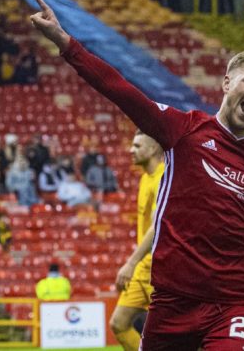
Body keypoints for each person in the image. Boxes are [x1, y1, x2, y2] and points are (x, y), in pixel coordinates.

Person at [30, 0, 244, 350]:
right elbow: (119, 89)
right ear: (227, 82)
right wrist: (65, 42)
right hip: (172, 302)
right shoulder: (182, 129)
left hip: (235, 302)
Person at [110, 130, 165, 351]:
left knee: (186, 335)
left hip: (161, 269)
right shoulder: (145, 178)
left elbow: (157, 225)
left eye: (137, 146)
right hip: (143, 267)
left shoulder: (163, 177)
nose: (131, 150)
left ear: (152, 149)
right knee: (119, 324)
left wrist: (130, 262)